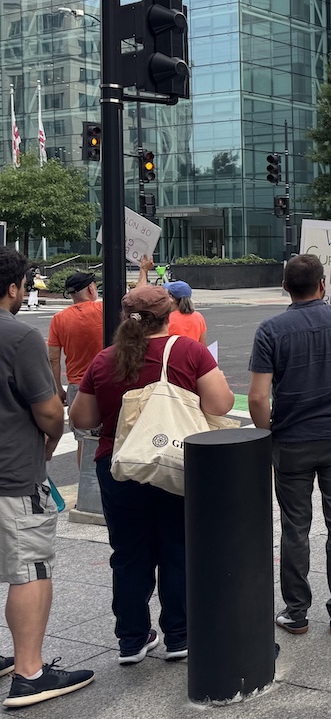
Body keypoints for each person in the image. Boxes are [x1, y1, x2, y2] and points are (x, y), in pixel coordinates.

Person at [72, 284, 233, 666]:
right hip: (175, 463)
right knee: (178, 548)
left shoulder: (105, 359)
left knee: (127, 554)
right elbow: (221, 403)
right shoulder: (188, 351)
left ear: (126, 318)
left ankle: (131, 638)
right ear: (169, 314)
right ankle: (179, 633)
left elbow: (82, 418)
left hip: (119, 466)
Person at [248, 255, 331, 635]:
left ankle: (296, 610)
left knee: (295, 526)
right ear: (323, 284)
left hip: (293, 440)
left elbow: (257, 397)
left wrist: (268, 430)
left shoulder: (271, 330)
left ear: (285, 287)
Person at [0, 247, 94, 708]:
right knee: (31, 569)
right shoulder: (19, 337)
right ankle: (30, 673)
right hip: (12, 471)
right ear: (14, 288)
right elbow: (48, 410)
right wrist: (52, 438)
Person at [47, 272, 104, 464]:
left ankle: (86, 487)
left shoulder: (59, 319)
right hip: (107, 382)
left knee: (83, 440)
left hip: (78, 387)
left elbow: (54, 358)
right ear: (90, 289)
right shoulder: (104, 310)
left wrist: (58, 390)